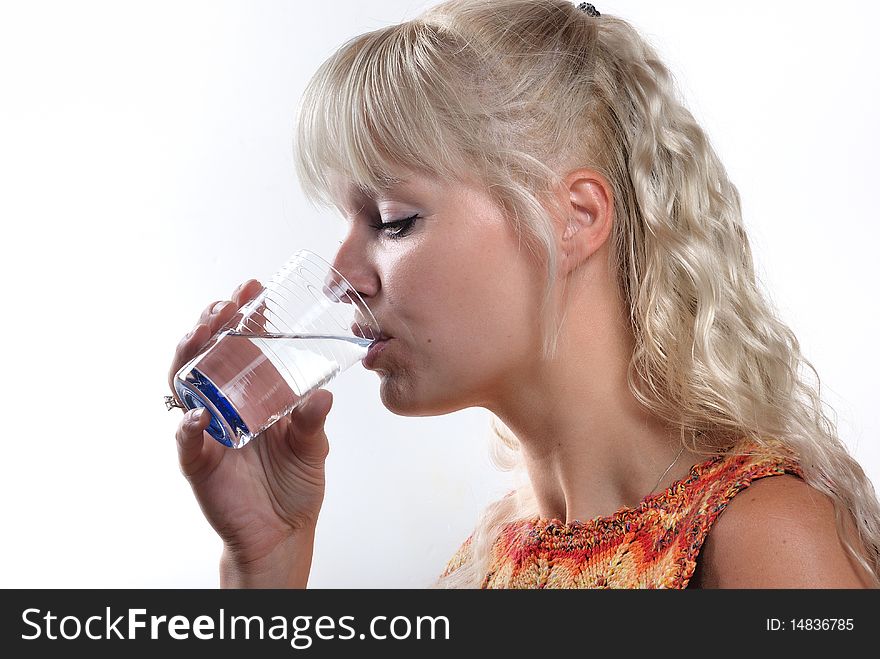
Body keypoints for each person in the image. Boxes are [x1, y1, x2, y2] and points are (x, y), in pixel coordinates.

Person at [168, 0, 880, 588]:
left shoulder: (769, 544)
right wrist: (265, 566)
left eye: (393, 219)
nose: (340, 273)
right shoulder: (489, 557)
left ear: (574, 218)